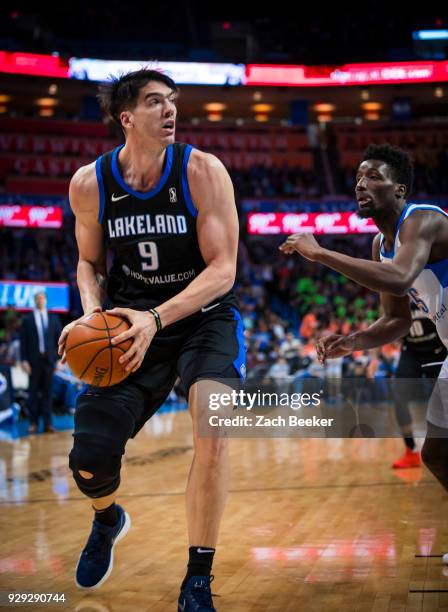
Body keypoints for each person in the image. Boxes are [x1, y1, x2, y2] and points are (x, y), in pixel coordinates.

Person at [58, 69, 245, 610]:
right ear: (126, 117)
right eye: (155, 102)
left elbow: (224, 270)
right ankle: (107, 517)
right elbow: (88, 263)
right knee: (90, 459)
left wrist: (156, 319)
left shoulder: (203, 172)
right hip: (127, 322)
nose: (170, 111)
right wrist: (94, 316)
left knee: (213, 428)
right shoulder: (89, 185)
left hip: (201, 318)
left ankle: (198, 578)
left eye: (173, 102)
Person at [280, 143, 448, 562]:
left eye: (374, 176)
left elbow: (400, 277)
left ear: (400, 189)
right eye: (358, 175)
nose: (361, 182)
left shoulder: (423, 219)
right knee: (438, 453)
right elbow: (395, 318)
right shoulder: (380, 245)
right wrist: (352, 341)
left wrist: (320, 253)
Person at [392, 304, 446, 468]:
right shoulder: (395, 290)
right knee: (399, 396)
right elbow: (387, 317)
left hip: (437, 350)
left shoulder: (429, 284)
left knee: (443, 404)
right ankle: (411, 450)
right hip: (411, 351)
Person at [19, 291, 61, 433]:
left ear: (46, 300)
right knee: (33, 393)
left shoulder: (54, 318)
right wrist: (24, 360)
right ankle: (33, 423)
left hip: (49, 361)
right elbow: (23, 342)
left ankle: (48, 424)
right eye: (37, 298)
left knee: (48, 393)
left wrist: (59, 360)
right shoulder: (27, 319)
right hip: (33, 361)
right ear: (34, 300)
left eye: (42, 298)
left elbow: (59, 341)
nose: (40, 300)